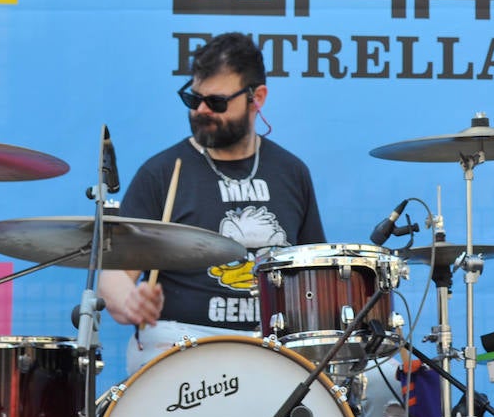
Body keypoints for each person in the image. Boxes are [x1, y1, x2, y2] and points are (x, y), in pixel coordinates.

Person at [100, 31, 325, 373]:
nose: (201, 111)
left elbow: (316, 274)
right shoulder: (161, 172)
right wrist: (129, 303)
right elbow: (113, 275)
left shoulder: (291, 172)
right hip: (182, 343)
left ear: (257, 97)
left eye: (217, 103)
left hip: (273, 348)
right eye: (194, 99)